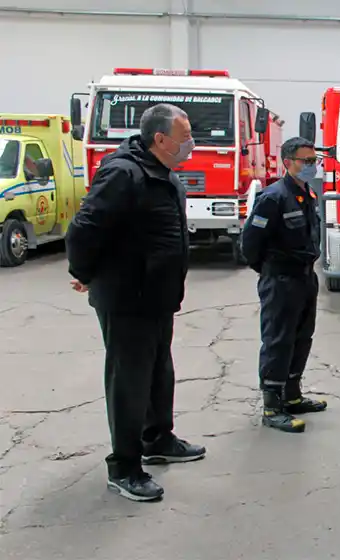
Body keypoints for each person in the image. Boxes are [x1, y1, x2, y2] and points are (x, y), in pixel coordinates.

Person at [65, 103, 206, 502]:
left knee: (159, 371)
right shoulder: (122, 172)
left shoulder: (161, 172)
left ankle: (157, 438)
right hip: (127, 297)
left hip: (158, 296)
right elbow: (84, 229)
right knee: (129, 380)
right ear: (160, 139)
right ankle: (124, 467)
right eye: (185, 135)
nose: (191, 143)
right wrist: (85, 272)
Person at [241, 137, 327, 433]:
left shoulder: (307, 195)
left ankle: (292, 395)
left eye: (314, 161)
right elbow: (250, 244)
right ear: (287, 162)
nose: (311, 166)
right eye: (306, 161)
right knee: (278, 340)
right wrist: (268, 271)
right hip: (281, 279)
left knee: (302, 336)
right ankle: (272, 406)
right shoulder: (273, 197)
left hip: (305, 277)